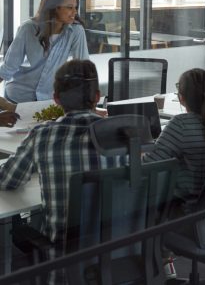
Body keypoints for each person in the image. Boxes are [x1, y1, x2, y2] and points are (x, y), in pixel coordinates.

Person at [0, 59, 124, 284]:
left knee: (24, 226)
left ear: (56, 99)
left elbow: (8, 180)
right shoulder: (123, 134)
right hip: (121, 261)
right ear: (97, 97)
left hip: (64, 269)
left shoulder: (43, 136)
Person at [144, 68, 205, 212]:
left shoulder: (181, 124)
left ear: (181, 98)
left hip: (186, 211)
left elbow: (149, 164)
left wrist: (137, 150)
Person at [0, 0, 89, 103]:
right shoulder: (28, 29)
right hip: (19, 97)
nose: (75, 12)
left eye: (75, 7)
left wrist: (90, 103)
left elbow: (83, 69)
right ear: (54, 7)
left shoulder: (76, 31)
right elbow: (8, 67)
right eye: (69, 7)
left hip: (49, 99)